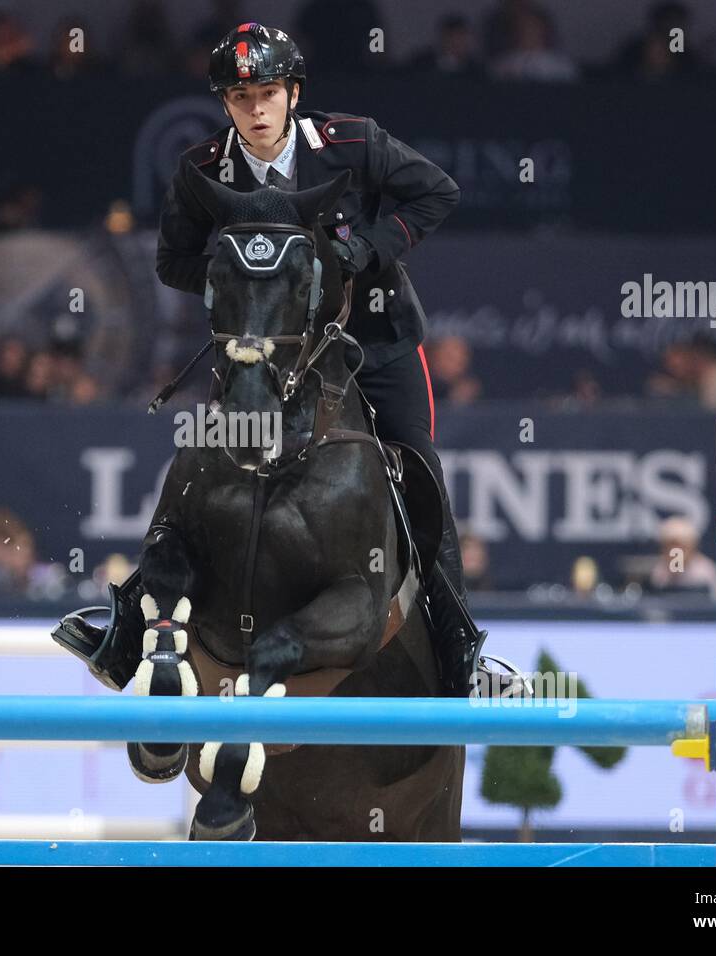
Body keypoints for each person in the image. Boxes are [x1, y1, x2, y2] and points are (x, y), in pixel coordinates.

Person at [153, 22, 482, 692]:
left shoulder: (352, 142)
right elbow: (172, 263)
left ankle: (459, 647)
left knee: (418, 467)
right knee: (199, 467)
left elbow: (437, 193)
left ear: (293, 92)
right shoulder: (202, 170)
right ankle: (136, 615)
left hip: (375, 341)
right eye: (240, 96)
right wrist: (237, 278)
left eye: (267, 92)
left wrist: (368, 247)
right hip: (267, 351)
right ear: (224, 104)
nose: (256, 109)